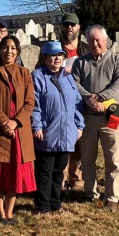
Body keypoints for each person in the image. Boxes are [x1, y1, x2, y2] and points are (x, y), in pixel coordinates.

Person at [0, 35, 36, 224]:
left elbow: (29, 103)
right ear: (0, 50)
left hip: (18, 130)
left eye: (12, 48)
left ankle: (10, 212)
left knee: (14, 170)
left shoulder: (25, 73)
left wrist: (15, 122)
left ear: (17, 52)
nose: (9, 51)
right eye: (5, 47)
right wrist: (4, 122)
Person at [72, 25, 119, 210]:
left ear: (106, 39)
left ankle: (112, 197)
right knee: (88, 158)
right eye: (90, 40)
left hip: (110, 118)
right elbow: (75, 83)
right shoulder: (80, 63)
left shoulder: (118, 60)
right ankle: (90, 192)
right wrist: (88, 98)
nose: (94, 43)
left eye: (97, 40)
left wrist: (100, 97)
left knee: (112, 158)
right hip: (87, 117)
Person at [30, 41, 84, 214]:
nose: (57, 59)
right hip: (47, 131)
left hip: (67, 132)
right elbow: (34, 104)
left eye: (60, 55)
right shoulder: (38, 76)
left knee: (59, 171)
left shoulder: (68, 77)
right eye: (52, 55)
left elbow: (77, 103)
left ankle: (55, 203)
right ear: (44, 58)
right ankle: (42, 206)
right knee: (45, 172)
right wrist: (37, 126)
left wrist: (79, 125)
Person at [58, 12, 90, 190]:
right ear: (61, 27)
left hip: (82, 102)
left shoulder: (86, 49)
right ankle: (60, 179)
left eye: (73, 24)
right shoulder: (54, 48)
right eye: (66, 24)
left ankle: (76, 179)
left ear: (79, 27)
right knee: (61, 142)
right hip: (61, 103)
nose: (69, 27)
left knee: (80, 142)